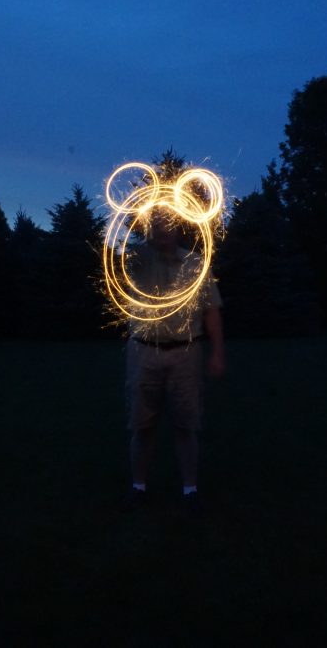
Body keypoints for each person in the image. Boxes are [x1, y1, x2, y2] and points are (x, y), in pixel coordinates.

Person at [121, 209, 225, 512]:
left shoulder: (196, 265)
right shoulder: (136, 260)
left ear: (179, 228)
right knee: (142, 424)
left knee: (186, 424)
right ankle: (138, 487)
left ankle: (190, 490)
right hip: (143, 352)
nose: (163, 230)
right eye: (156, 225)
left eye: (168, 225)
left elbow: (212, 311)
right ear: (148, 229)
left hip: (185, 354)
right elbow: (109, 256)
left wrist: (217, 352)